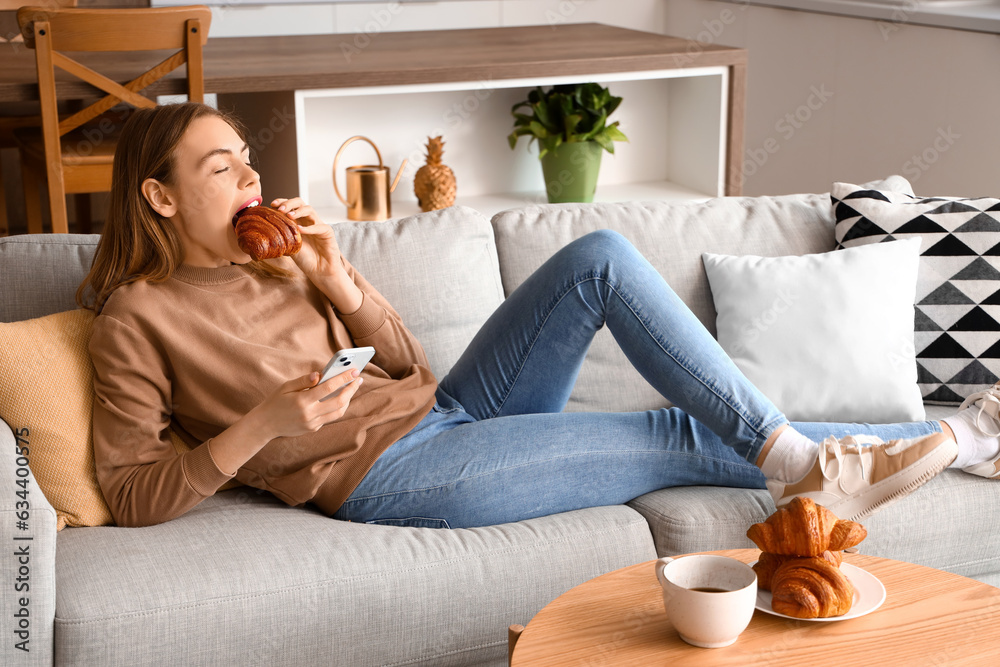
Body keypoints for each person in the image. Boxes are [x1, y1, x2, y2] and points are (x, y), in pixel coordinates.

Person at [78, 102, 999, 530]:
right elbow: (127, 494)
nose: (251, 178)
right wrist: (261, 428)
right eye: (222, 168)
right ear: (158, 198)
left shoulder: (281, 258)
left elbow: (402, 364)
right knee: (672, 433)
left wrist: (336, 277)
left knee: (597, 259)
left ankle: (830, 462)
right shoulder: (137, 317)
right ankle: (937, 444)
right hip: (388, 477)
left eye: (247, 157)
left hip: (447, 410)